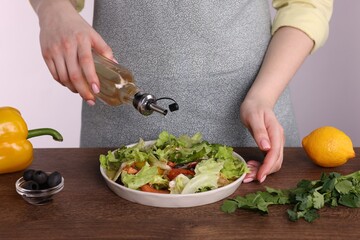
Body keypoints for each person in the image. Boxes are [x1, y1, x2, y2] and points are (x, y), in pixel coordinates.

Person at [28, 0, 333, 183]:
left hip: (251, 131)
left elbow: (306, 5)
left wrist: (262, 97)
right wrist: (52, 10)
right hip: (117, 141)